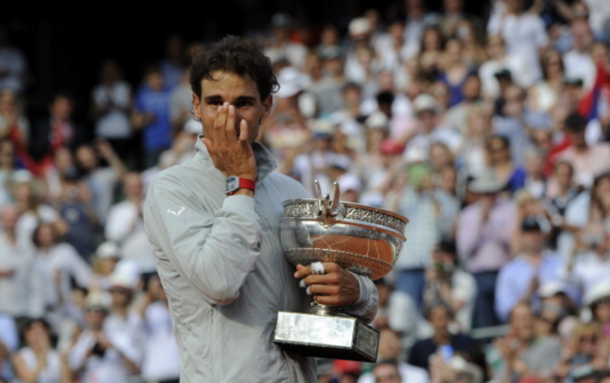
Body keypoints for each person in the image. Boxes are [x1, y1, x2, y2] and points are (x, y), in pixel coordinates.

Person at [143, 36, 378, 382]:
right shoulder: (171, 189)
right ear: (195, 106)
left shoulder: (289, 190)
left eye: (243, 103)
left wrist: (356, 291)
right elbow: (220, 282)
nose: (228, 115)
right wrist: (241, 182)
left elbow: (337, 294)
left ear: (266, 108)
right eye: (215, 102)